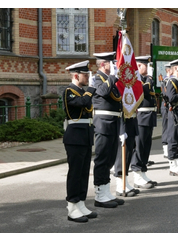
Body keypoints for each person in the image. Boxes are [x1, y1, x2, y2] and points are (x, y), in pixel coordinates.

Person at [91, 52, 129, 204]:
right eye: (111, 63)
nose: (114, 66)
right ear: (102, 65)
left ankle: (106, 191)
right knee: (102, 159)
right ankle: (100, 194)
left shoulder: (109, 80)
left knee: (110, 159)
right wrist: (113, 78)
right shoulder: (96, 79)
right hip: (103, 123)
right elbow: (102, 92)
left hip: (113, 122)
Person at [63, 60, 97, 223]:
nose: (88, 77)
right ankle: (71, 207)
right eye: (85, 74)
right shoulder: (69, 91)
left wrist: (88, 91)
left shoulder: (82, 92)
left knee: (84, 172)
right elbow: (81, 103)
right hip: (75, 137)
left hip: (85, 135)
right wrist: (90, 90)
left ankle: (80, 203)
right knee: (75, 173)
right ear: (76, 75)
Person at [130, 56, 158, 189]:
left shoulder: (146, 79)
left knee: (146, 145)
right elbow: (145, 91)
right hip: (141, 115)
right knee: (139, 146)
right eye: (146, 65)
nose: (148, 67)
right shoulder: (136, 79)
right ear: (140, 66)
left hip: (149, 115)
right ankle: (137, 174)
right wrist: (149, 79)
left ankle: (143, 171)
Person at [160, 63, 172, 158]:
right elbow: (165, 94)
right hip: (166, 106)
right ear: (168, 70)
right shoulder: (165, 80)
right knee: (166, 127)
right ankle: (165, 149)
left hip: (170, 106)